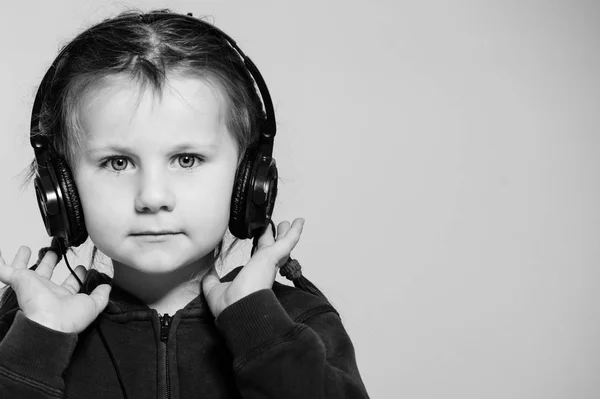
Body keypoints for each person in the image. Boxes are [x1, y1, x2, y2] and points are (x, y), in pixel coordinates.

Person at [0, 9, 369, 399]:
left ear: (248, 178)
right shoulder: (29, 336)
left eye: (186, 160)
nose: (153, 197)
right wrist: (36, 348)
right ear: (62, 188)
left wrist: (259, 329)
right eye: (118, 162)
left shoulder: (297, 324)